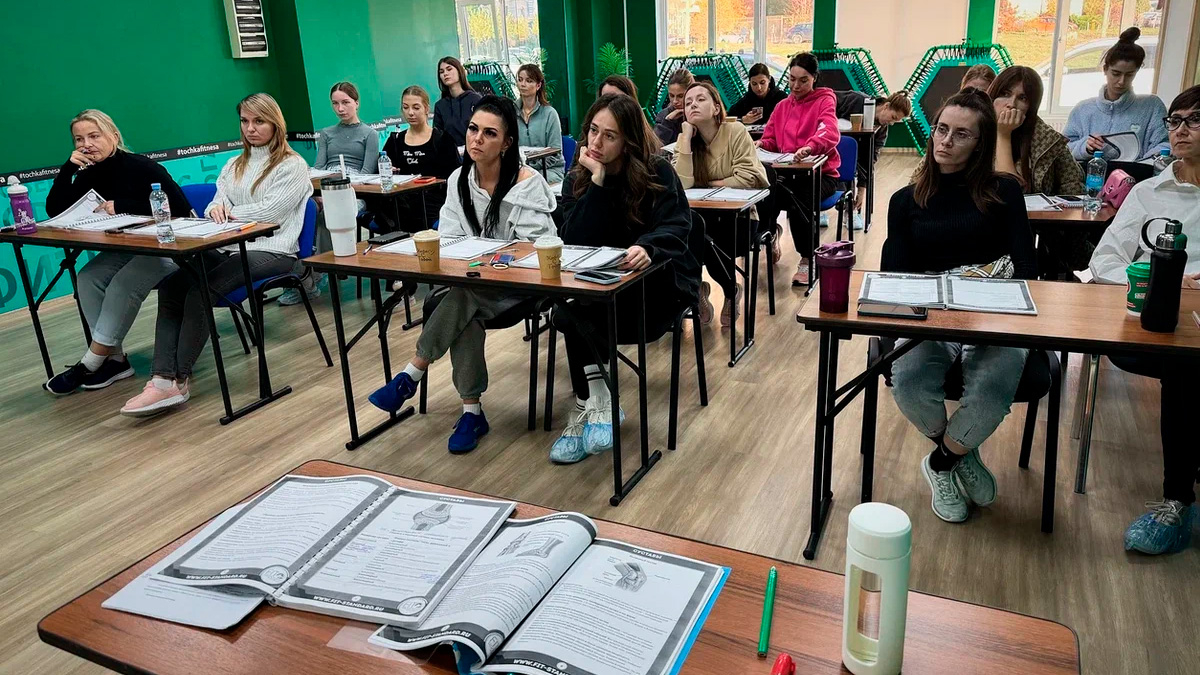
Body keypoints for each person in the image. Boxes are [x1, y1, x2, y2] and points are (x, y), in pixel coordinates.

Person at [367, 96, 557, 453]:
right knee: (464, 305)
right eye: (473, 129)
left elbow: (535, 248)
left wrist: (485, 261)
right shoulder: (459, 180)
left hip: (519, 285)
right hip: (469, 283)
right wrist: (474, 263)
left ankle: (413, 374)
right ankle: (471, 413)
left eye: (489, 133)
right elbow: (452, 239)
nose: (477, 139)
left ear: (507, 142)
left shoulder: (527, 184)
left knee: (462, 297)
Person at [881, 88, 1036, 524]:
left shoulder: (1004, 191)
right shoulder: (905, 201)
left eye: (961, 134)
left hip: (994, 314)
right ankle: (959, 453)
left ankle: (941, 462)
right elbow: (895, 280)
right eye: (941, 129)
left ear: (980, 144)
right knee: (908, 383)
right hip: (932, 317)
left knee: (992, 389)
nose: (945, 141)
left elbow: (1027, 269)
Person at [120, 93, 313, 417]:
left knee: (202, 291)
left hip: (274, 249)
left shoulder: (292, 165)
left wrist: (229, 213)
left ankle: (178, 380)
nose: (250, 128)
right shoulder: (234, 164)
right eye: (245, 121)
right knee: (173, 285)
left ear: (275, 124)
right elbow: (215, 202)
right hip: (228, 247)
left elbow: (271, 213)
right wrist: (216, 209)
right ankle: (161, 378)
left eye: (259, 121)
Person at [550, 93, 701, 464]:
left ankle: (588, 406)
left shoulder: (656, 171)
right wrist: (598, 184)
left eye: (609, 136)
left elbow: (678, 225)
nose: (596, 143)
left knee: (577, 313)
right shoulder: (580, 177)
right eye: (593, 131)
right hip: (600, 290)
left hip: (654, 292)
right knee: (567, 310)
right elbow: (573, 239)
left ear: (628, 140)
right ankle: (599, 402)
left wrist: (649, 247)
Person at [1086, 85, 1200, 555]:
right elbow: (1104, 261)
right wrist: (1159, 281)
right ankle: (1179, 499)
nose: (1180, 129)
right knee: (1185, 360)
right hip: (1154, 325)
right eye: (1175, 120)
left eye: (1194, 119)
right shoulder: (1149, 192)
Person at [42, 110, 191, 396]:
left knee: (122, 283)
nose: (87, 144)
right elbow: (55, 210)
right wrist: (67, 170)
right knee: (88, 278)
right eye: (79, 139)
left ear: (114, 136)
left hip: (167, 248)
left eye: (94, 136)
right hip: (127, 247)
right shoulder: (87, 173)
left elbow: (181, 208)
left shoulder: (142, 166)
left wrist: (121, 205)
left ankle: (90, 362)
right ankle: (115, 360)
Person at [674, 81, 768, 326]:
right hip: (701, 219)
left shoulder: (735, 131)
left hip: (739, 220)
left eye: (700, 99)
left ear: (716, 107)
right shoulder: (685, 139)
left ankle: (729, 289)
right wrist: (686, 140)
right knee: (688, 235)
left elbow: (750, 177)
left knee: (703, 239)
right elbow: (681, 185)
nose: (693, 105)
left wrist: (708, 184)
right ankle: (697, 290)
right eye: (688, 102)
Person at [280, 81, 378, 306]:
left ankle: (315, 274)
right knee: (301, 215)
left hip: (354, 192)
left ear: (356, 103)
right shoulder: (326, 133)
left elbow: (366, 174)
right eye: (335, 103)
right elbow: (318, 168)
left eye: (345, 102)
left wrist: (337, 189)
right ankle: (299, 274)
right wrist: (320, 192)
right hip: (325, 187)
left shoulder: (369, 134)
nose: (340, 108)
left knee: (327, 216)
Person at [757, 52, 841, 286]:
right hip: (788, 174)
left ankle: (807, 258)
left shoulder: (825, 101)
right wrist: (761, 144)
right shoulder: (782, 106)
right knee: (764, 194)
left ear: (814, 78)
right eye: (792, 79)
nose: (796, 86)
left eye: (803, 80)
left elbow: (829, 131)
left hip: (821, 175)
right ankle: (770, 235)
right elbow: (771, 139)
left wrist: (811, 146)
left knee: (798, 202)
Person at [1064, 27, 1169, 161]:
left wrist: (1144, 163)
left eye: (1129, 75)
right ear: (1105, 69)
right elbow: (1064, 149)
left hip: (1137, 174)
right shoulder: (1082, 110)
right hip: (1090, 173)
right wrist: (1085, 147)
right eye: (1116, 73)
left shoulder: (1152, 106)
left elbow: (1165, 145)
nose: (1121, 81)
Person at [379, 85, 461, 229]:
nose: (410, 113)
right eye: (405, 108)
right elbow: (380, 172)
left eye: (416, 108)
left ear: (426, 109)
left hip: (433, 204)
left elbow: (454, 177)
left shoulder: (442, 140)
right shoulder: (395, 141)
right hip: (401, 204)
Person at [834, 89, 913, 229]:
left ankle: (850, 209)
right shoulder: (855, 99)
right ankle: (824, 209)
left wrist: (862, 190)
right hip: (828, 144)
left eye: (896, 121)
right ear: (886, 106)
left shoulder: (881, 131)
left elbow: (870, 159)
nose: (892, 123)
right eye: (893, 117)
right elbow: (825, 100)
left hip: (850, 157)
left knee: (852, 166)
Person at [515, 63, 565, 183]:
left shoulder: (550, 114)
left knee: (527, 182)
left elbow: (555, 154)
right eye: (520, 80)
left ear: (538, 85)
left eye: (529, 81)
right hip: (520, 170)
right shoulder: (511, 112)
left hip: (549, 170)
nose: (523, 84)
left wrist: (529, 167)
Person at [433, 57, 483, 147]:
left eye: (449, 69)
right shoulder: (440, 106)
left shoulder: (475, 99)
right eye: (441, 72)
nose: (445, 74)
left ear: (459, 71)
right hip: (450, 153)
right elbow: (438, 135)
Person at [653, 68, 695, 145]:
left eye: (680, 96)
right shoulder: (663, 116)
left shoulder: (700, 114)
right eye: (671, 95)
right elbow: (655, 146)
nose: (675, 101)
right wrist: (667, 122)